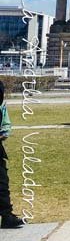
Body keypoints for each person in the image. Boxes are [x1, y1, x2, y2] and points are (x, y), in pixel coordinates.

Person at [0, 80, 24, 228]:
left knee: (2, 182)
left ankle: (6, 215)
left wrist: (4, 133)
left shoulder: (2, 105)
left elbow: (5, 124)